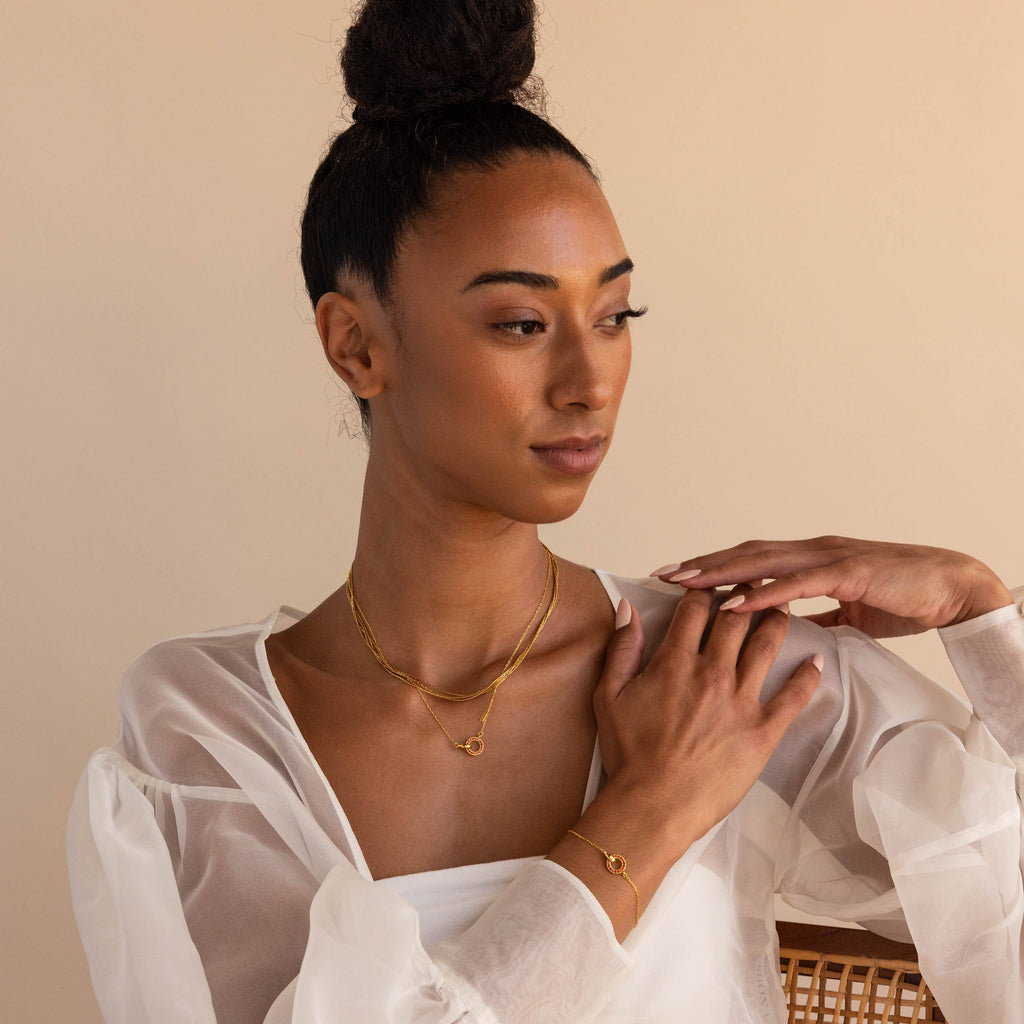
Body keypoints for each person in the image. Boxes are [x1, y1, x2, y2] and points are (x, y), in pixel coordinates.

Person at [67, 1, 1024, 1021]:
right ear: (356, 345)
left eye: (615, 316)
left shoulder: (717, 673)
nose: (589, 379)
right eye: (521, 321)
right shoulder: (208, 727)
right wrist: (646, 816)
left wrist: (981, 611)